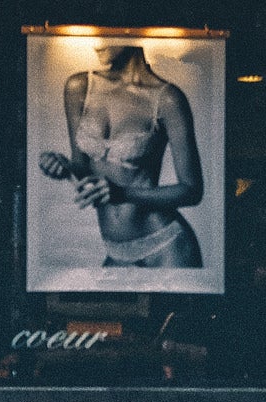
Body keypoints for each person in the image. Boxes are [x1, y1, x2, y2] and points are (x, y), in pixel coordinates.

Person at [38, 42, 205, 269]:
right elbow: (81, 165)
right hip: (115, 250)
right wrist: (61, 166)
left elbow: (191, 191)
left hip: (166, 246)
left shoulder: (167, 98)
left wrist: (123, 193)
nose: (97, 42)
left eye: (108, 33)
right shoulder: (79, 87)